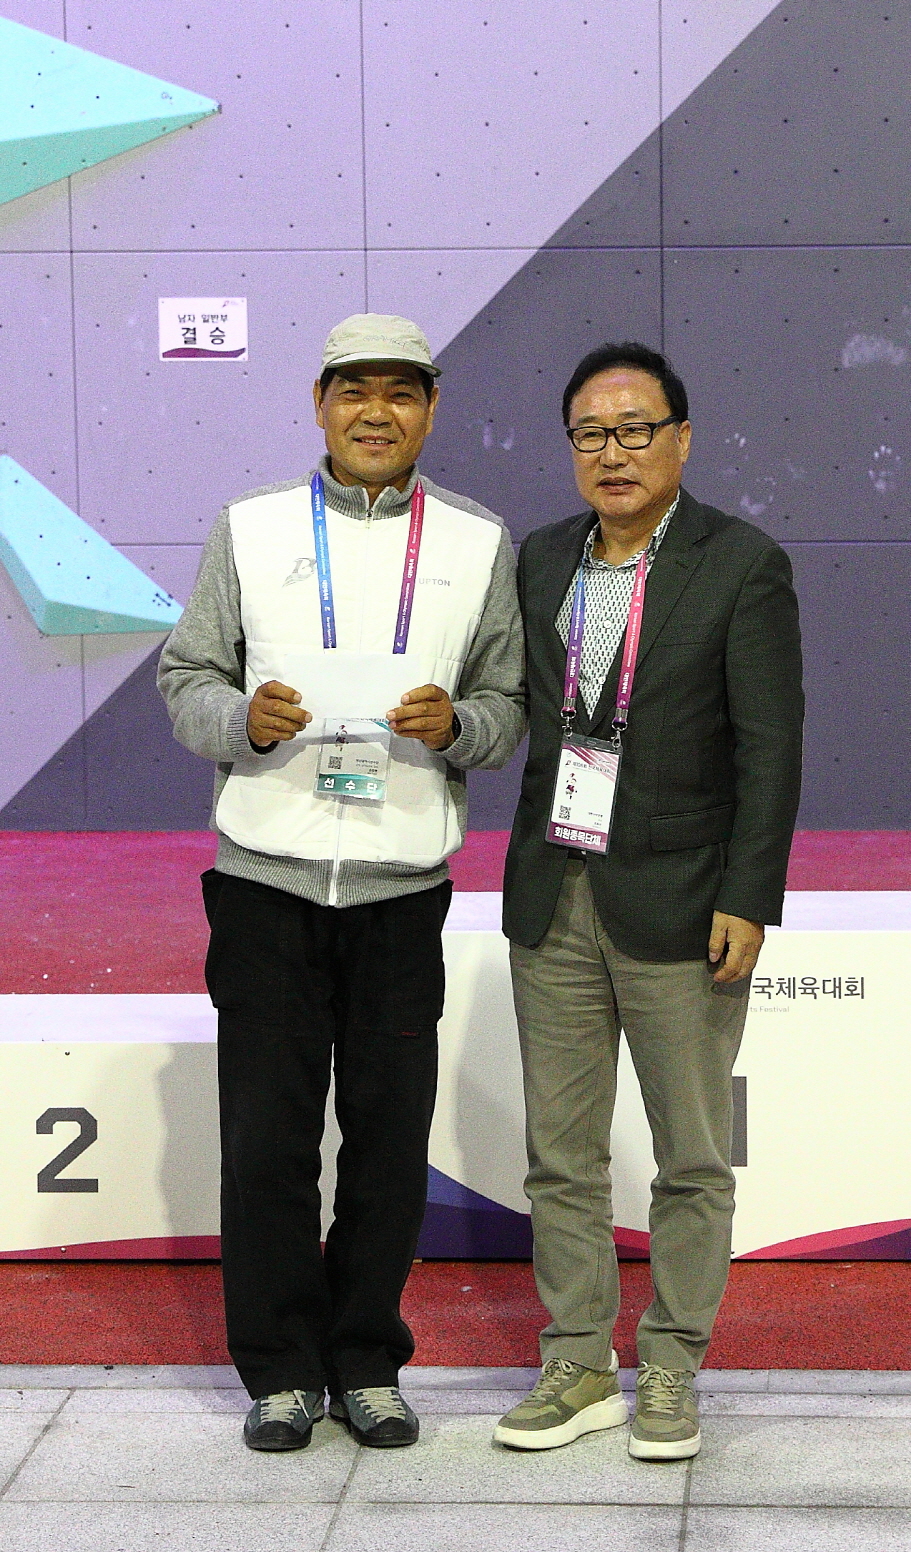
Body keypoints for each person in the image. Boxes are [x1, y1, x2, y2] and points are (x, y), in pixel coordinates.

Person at [158, 314, 524, 1453]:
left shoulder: (476, 540)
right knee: (266, 1143)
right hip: (264, 884)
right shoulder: (251, 525)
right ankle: (278, 1372)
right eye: (354, 390)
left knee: (386, 1143)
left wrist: (457, 726)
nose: (377, 412)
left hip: (400, 889)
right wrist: (242, 720)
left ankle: (366, 1361)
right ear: (319, 404)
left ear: (431, 408)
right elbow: (186, 675)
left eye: (401, 392)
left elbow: (506, 705)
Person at [494, 342, 803, 1461]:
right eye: (591, 433)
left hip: (683, 900)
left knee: (690, 1159)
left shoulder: (740, 563)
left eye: (634, 430)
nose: (612, 453)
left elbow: (770, 747)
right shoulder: (541, 558)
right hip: (553, 890)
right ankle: (577, 1360)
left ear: (680, 437)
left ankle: (670, 1365)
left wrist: (748, 895)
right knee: (560, 1154)